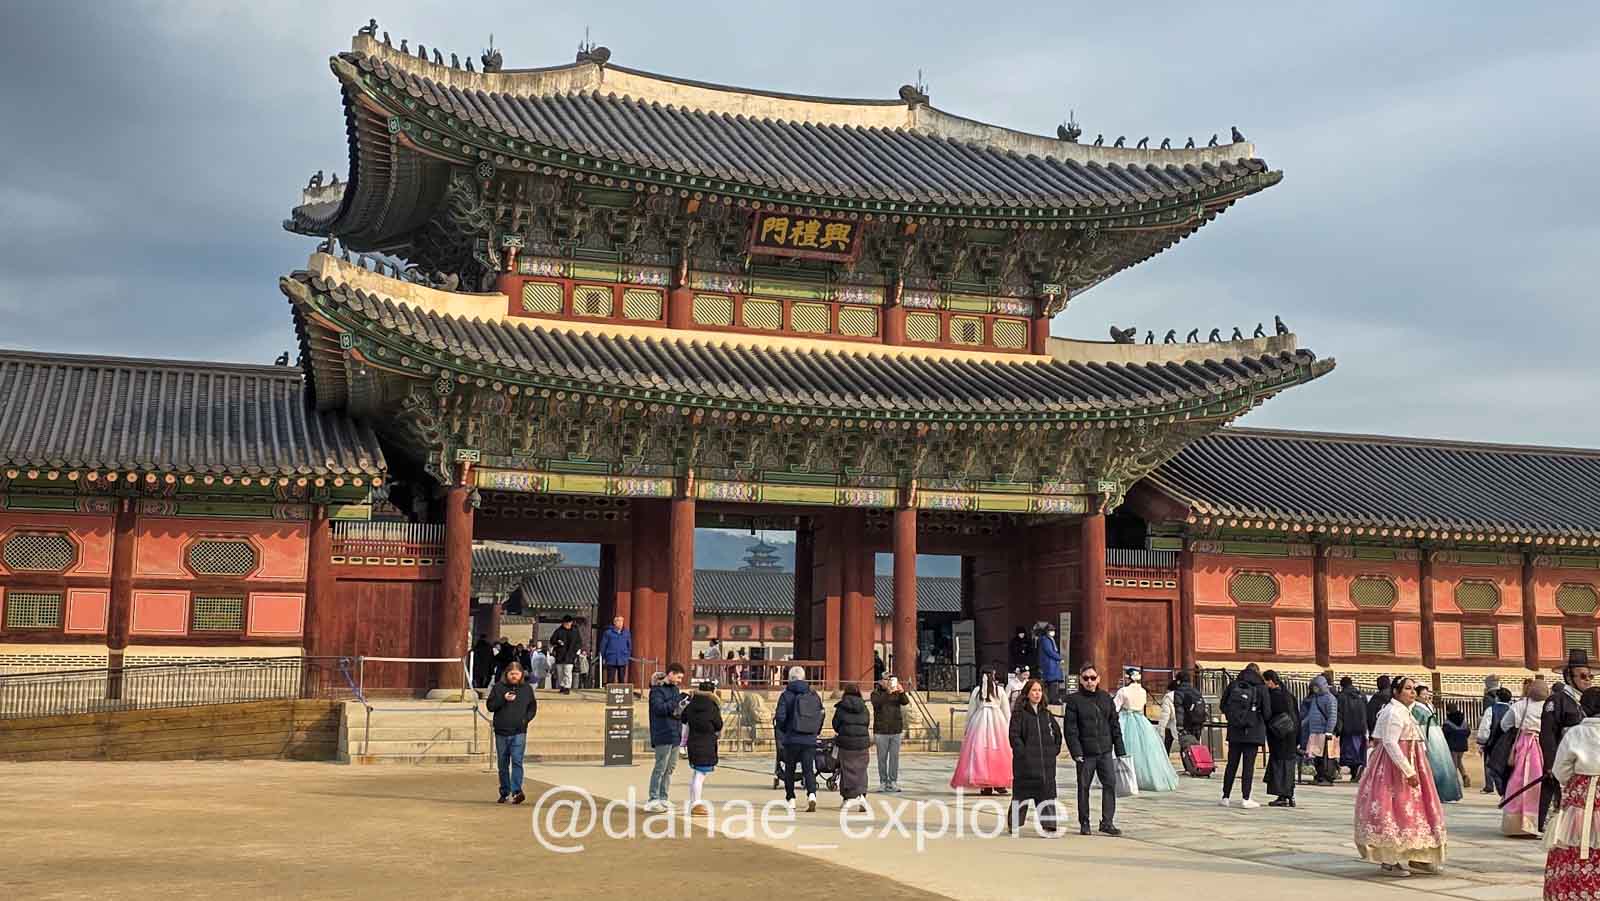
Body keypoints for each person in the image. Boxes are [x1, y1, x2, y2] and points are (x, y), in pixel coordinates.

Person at [1354, 675, 1447, 877]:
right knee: (1393, 810)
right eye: (1407, 688)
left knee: (1417, 810)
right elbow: (1389, 742)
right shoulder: (1393, 712)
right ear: (1396, 692)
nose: (1412, 692)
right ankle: (1389, 859)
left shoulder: (1407, 711)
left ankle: (1419, 855)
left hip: (1413, 762)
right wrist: (1408, 770)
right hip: (1393, 768)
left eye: (1413, 688)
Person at [1543, 686, 1600, 899]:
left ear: (1583, 709)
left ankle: (1573, 891)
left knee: (1573, 842)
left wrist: (1575, 781)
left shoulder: (1575, 733)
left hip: (1581, 795)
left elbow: (1560, 770)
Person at [1063, 663, 1124, 836]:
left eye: (1092, 678)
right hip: (1085, 753)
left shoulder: (1106, 698)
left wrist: (1120, 750)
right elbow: (1071, 729)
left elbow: (1114, 724)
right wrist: (1076, 752)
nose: (1089, 681)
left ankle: (1107, 822)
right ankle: (1084, 822)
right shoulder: (1074, 701)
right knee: (1084, 787)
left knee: (1110, 784)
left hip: (1105, 750)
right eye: (1086, 678)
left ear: (1099, 679)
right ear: (1081, 681)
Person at [1545, 651, 1594, 832]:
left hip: (1588, 762)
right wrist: (1550, 763)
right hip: (1565, 758)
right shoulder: (1557, 700)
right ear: (1569, 677)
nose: (1588, 680)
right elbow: (1548, 733)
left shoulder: (1592, 700)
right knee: (1565, 804)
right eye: (1583, 676)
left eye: (1590, 676)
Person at [1008, 678, 1062, 834]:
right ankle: (1015, 822)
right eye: (1034, 690)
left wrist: (1054, 750)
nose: (1037, 694)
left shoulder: (1046, 714)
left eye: (1039, 690)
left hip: (1046, 763)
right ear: (1027, 693)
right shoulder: (1019, 714)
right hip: (1025, 763)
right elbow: (1014, 736)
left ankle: (1049, 824)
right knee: (1021, 793)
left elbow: (1058, 735)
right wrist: (1022, 753)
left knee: (1046, 793)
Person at [950, 666, 1013, 796]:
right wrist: (1008, 726)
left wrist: (967, 728)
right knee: (996, 752)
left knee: (982, 752)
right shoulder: (997, 691)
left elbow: (971, 712)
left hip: (980, 723)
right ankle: (995, 783)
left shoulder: (978, 691)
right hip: (996, 723)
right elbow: (1006, 712)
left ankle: (990, 784)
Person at [1502, 678, 1552, 836]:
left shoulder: (1519, 706)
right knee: (1538, 785)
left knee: (1517, 782)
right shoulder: (1549, 707)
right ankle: (1535, 823)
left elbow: (1505, 724)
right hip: (1543, 745)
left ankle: (1514, 826)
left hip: (1522, 746)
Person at [1114, 668, 1177, 792]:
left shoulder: (1123, 691)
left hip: (1126, 719)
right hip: (1141, 720)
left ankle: (1127, 777)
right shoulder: (1143, 691)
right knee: (1146, 750)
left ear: (1128, 678)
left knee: (1125, 747)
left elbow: (1115, 707)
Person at [1219, 663, 1271, 809]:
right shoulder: (1261, 688)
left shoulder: (1233, 685)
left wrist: (1235, 718)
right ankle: (1246, 798)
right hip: (1253, 733)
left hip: (1235, 732)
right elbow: (1267, 713)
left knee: (1231, 765)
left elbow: (1223, 705)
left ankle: (1225, 796)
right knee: (1248, 767)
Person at [484, 662, 537, 804]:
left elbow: (532, 707)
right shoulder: (498, 688)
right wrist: (503, 699)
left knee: (517, 761)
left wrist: (526, 719)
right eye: (511, 673)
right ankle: (504, 791)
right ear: (507, 674)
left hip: (519, 731)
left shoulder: (527, 689)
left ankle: (517, 791)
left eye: (517, 673)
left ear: (521, 675)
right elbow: (490, 706)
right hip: (501, 731)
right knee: (502, 763)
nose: (514, 676)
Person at [774, 665, 824, 812]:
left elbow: (780, 717)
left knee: (790, 769)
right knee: (808, 769)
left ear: (789, 678)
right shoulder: (813, 694)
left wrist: (784, 731)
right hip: (809, 739)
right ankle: (812, 795)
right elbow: (821, 714)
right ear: (804, 677)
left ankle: (791, 798)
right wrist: (815, 732)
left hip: (791, 738)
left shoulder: (786, 695)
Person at [645, 663, 686, 811]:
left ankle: (664, 797)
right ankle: (653, 798)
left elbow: (676, 709)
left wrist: (683, 704)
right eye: (678, 677)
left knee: (670, 768)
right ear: (671, 674)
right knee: (660, 767)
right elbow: (659, 709)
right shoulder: (656, 691)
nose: (679, 680)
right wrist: (676, 702)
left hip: (675, 733)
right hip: (662, 733)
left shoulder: (675, 689)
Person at [1412, 686, 1462, 803]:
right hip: (1428, 735)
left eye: (1427, 694)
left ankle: (1447, 793)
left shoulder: (1428, 706)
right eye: (1423, 694)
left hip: (1436, 736)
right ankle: (1437, 793)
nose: (1426, 696)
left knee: (1443, 763)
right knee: (1434, 764)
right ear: (1417, 695)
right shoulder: (1415, 708)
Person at [683, 680, 722, 816]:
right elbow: (718, 724)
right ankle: (696, 804)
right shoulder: (712, 706)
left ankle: (694, 802)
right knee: (700, 775)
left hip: (693, 742)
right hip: (706, 743)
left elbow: (683, 718)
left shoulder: (691, 705)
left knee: (696, 773)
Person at [833, 684, 873, 811]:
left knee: (846, 769)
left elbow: (836, 725)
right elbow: (866, 723)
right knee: (861, 769)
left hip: (846, 743)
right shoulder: (864, 707)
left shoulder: (841, 707)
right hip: (862, 743)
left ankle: (848, 797)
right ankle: (861, 795)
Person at [870, 673, 910, 793]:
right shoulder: (875, 693)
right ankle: (883, 781)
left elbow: (905, 702)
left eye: (890, 680)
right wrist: (888, 692)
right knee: (882, 758)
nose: (889, 682)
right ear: (881, 681)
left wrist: (901, 691)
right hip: (881, 730)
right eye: (887, 680)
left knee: (894, 758)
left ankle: (893, 781)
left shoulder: (896, 692)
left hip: (895, 729)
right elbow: (877, 704)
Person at [1300, 674, 1339, 786]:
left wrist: (1329, 731)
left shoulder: (1330, 699)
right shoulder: (1315, 698)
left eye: (1317, 687)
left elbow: (1332, 716)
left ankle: (1327, 777)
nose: (1315, 689)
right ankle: (1319, 776)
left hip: (1325, 732)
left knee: (1326, 757)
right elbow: (1311, 714)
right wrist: (1302, 724)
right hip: (1315, 732)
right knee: (1317, 756)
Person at [1479, 686, 1514, 794]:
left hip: (1492, 743)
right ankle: (1507, 788)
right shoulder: (1512, 709)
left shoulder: (1491, 709)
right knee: (1507, 767)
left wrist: (1482, 741)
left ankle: (1493, 787)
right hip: (1508, 743)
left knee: (1490, 766)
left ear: (1497, 697)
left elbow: (1485, 727)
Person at [1337, 677, 1369, 782]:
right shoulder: (1361, 696)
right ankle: (1358, 768)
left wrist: (1338, 729)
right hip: (1361, 728)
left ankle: (1354, 770)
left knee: (1349, 752)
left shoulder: (1341, 697)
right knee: (1358, 751)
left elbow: (1339, 714)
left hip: (1347, 729)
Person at [1441, 704, 1472, 790]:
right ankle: (1465, 776)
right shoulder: (1463, 720)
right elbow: (1468, 732)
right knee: (1459, 762)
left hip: (1452, 745)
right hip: (1462, 744)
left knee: (1453, 764)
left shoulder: (1447, 722)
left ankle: (1454, 783)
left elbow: (1445, 734)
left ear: (1448, 711)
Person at [548, 616, 581, 694]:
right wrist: (557, 642)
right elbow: (552, 640)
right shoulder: (558, 631)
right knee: (560, 672)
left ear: (571, 622)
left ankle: (567, 687)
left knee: (567, 672)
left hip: (570, 655)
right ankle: (562, 686)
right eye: (565, 623)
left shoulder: (575, 631)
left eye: (569, 623)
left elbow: (579, 642)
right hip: (560, 655)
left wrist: (575, 652)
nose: (567, 624)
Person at [597, 615, 632, 686]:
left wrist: (627, 656)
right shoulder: (608, 633)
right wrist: (603, 657)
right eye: (618, 621)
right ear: (614, 622)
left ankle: (621, 694)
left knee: (621, 678)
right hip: (611, 658)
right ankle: (610, 694)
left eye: (622, 621)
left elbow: (629, 646)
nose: (620, 623)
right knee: (610, 678)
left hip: (622, 658)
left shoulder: (626, 633)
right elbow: (603, 646)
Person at [1036, 625, 1063, 705]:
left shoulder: (1048, 639)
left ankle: (1050, 699)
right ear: (1047, 631)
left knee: (1050, 683)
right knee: (1052, 683)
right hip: (1049, 665)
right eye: (1051, 630)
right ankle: (1052, 699)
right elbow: (1049, 651)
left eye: (1053, 630)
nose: (1052, 632)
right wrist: (1059, 658)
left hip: (1050, 665)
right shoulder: (1046, 640)